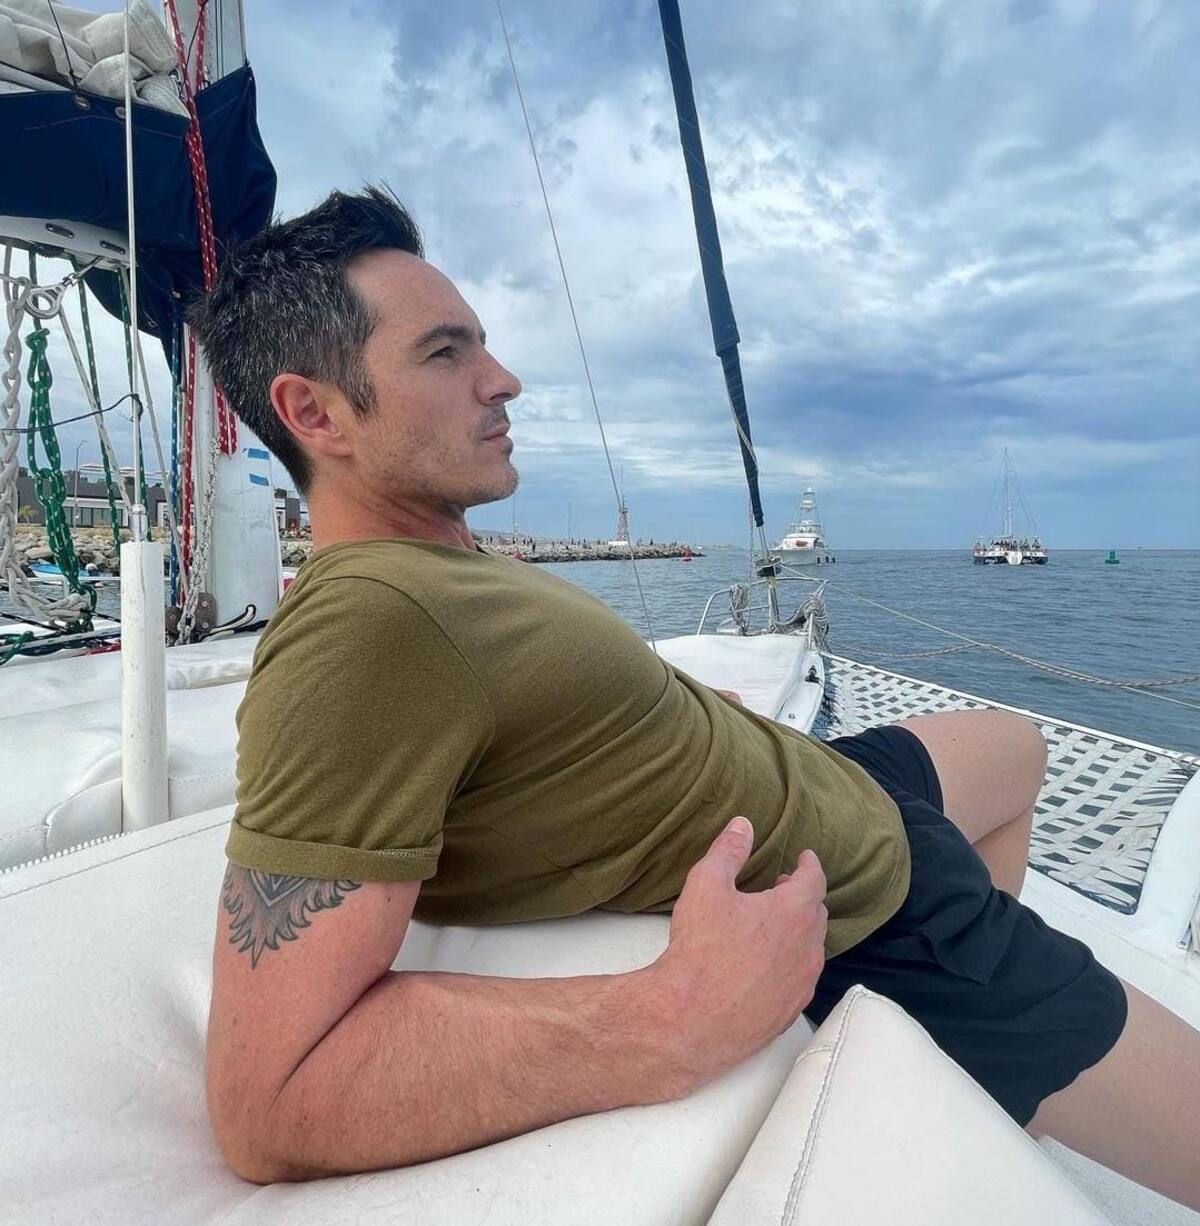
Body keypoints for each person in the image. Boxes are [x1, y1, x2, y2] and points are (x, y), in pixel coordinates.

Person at [193, 187, 1200, 1205]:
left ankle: (991, 1069)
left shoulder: (441, 563)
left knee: (1017, 744)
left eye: (482, 343)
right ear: (315, 413)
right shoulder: (365, 625)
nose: (503, 379)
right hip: (869, 902)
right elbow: (269, 1093)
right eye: (445, 353)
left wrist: (681, 702)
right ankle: (987, 1003)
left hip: (832, 782)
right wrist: (668, 1014)